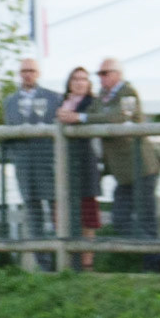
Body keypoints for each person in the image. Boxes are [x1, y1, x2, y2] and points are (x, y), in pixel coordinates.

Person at [80, 57, 160, 270]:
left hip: (142, 167)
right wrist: (87, 116)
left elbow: (118, 117)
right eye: (99, 74)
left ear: (117, 74)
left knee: (146, 217)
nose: (100, 78)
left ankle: (157, 263)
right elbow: (97, 114)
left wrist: (82, 118)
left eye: (104, 73)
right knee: (121, 219)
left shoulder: (128, 92)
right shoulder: (103, 96)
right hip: (123, 172)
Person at [3, 57, 63, 269]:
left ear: (38, 73)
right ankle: (44, 264)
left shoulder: (54, 98)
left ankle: (63, 259)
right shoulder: (9, 101)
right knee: (33, 211)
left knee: (56, 208)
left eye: (31, 70)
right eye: (24, 71)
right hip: (23, 165)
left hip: (47, 164)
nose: (27, 74)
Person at [57, 66, 102, 270]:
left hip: (85, 163)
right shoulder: (61, 103)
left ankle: (87, 261)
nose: (79, 82)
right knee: (64, 212)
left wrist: (74, 117)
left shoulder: (92, 103)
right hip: (64, 165)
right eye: (75, 78)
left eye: (83, 79)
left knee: (88, 214)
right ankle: (67, 260)